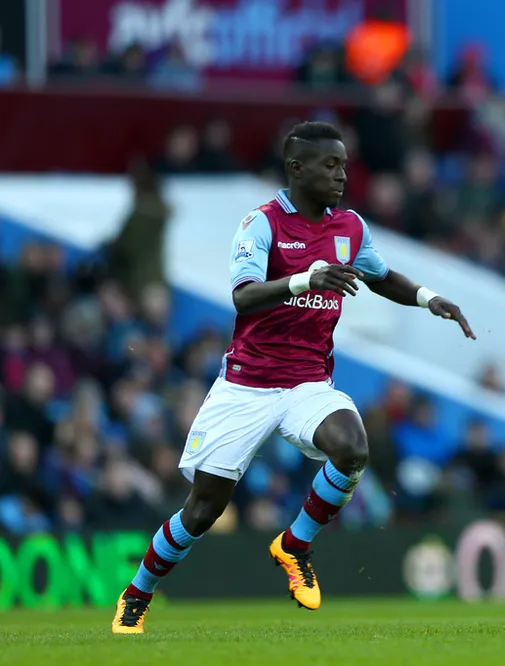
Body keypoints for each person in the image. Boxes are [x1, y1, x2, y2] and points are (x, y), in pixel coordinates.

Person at [111, 121, 475, 634]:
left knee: (352, 448)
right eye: (330, 165)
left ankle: (295, 545)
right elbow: (242, 295)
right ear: (297, 168)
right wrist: (306, 278)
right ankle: (137, 593)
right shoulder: (261, 224)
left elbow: (381, 276)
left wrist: (427, 298)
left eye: (345, 165)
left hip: (308, 383)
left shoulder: (350, 227)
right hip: (247, 383)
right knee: (202, 512)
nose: (342, 175)